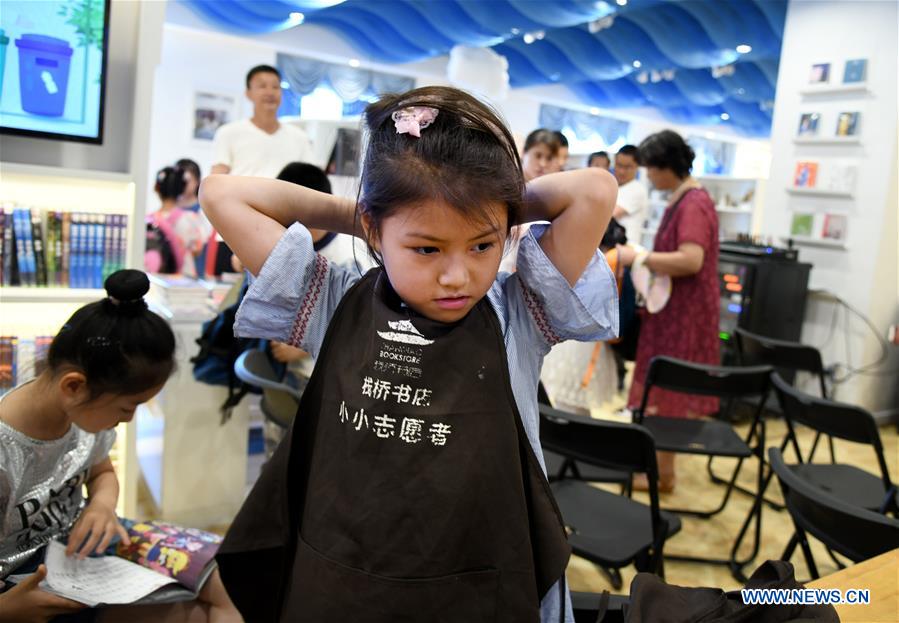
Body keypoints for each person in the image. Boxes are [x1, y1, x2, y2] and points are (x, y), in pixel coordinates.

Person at [201, 86, 618, 622]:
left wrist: (481, 200)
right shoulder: (332, 299)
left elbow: (594, 190)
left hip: (487, 576)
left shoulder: (520, 312)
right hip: (348, 574)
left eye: (482, 245)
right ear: (373, 231)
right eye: (426, 248)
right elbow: (221, 194)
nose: (457, 276)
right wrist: (371, 213)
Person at [0, 270, 240, 623]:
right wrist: (7, 610)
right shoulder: (5, 452)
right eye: (127, 408)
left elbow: (102, 472)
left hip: (84, 543)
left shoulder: (79, 414)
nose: (128, 420)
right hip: (23, 582)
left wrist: (101, 505)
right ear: (74, 387)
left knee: (226, 578)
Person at [617, 130, 720, 493]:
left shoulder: (693, 203)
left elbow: (691, 260)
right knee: (663, 387)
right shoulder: (685, 199)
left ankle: (662, 474)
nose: (648, 176)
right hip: (675, 307)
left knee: (669, 386)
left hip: (684, 311)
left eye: (651, 169)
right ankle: (660, 469)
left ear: (667, 167)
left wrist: (640, 258)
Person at [210, 65, 312, 178]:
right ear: (248, 93)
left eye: (275, 87)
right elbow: (217, 178)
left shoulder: (300, 137)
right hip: (243, 190)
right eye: (262, 86)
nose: (270, 92)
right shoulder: (228, 132)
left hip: (285, 190)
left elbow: (311, 178)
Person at [145, 166, 207, 277]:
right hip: (183, 278)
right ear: (182, 189)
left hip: (154, 277)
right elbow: (197, 250)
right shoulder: (191, 219)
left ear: (156, 188)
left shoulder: (147, 220)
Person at [612, 144, 650, 245]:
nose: (622, 171)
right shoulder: (613, 187)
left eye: (627, 167)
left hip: (627, 248)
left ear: (637, 166)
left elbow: (611, 214)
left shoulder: (637, 189)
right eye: (619, 165)